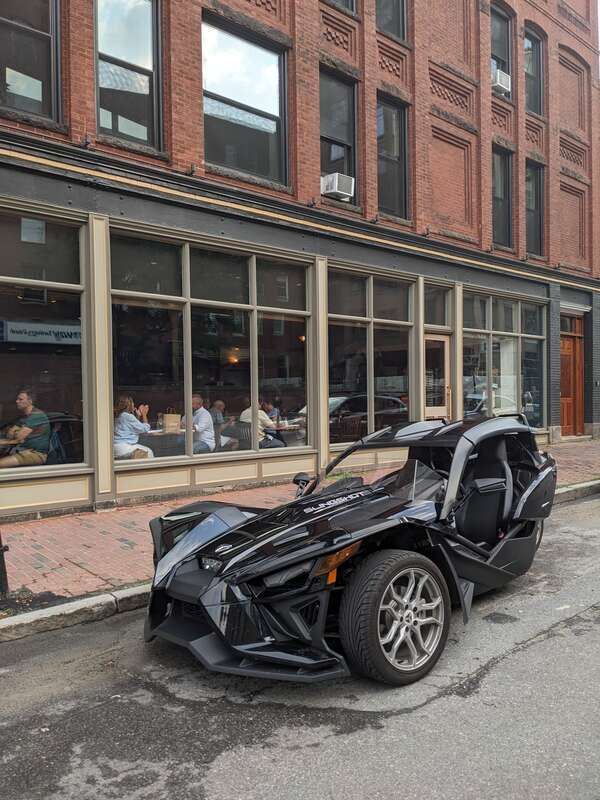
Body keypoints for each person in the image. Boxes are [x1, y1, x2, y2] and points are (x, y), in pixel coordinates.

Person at [0, 389, 51, 467]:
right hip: (22, 450)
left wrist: (16, 435)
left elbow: (17, 439)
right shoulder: (24, 417)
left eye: (20, 399)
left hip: (35, 454)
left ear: (30, 401)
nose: (17, 401)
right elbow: (9, 435)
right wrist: (16, 434)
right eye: (17, 399)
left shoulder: (37, 416)